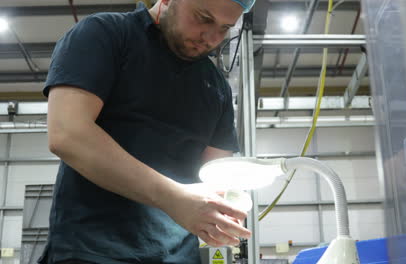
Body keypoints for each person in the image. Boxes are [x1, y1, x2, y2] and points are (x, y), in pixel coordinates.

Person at [39, 0, 256, 263]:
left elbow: (217, 176)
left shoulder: (216, 87)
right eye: (203, 18)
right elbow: (68, 134)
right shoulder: (106, 35)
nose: (211, 38)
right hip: (92, 252)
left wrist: (224, 211)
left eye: (225, 28)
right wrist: (174, 198)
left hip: (179, 257)